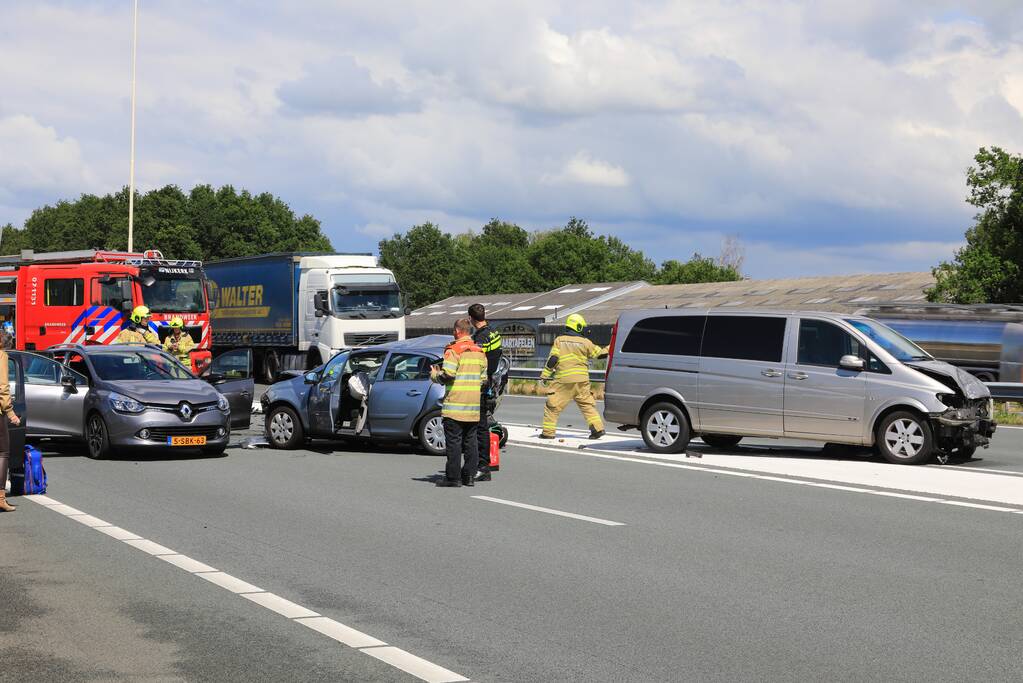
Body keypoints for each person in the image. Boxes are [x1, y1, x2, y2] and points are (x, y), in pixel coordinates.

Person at [430, 318, 487, 487]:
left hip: (455, 405)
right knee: (471, 443)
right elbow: (484, 380)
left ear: (457, 331)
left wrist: (434, 375)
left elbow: (448, 375)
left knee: (454, 443)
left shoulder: (453, 350)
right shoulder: (479, 351)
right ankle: (468, 477)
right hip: (473, 406)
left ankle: (453, 478)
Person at [540, 313, 608, 440]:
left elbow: (553, 359)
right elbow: (600, 354)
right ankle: (598, 429)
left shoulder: (559, 340)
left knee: (552, 406)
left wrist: (545, 375)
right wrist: (611, 347)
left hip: (563, 381)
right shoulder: (585, 342)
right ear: (578, 327)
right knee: (587, 405)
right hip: (582, 381)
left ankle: (548, 433)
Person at [468, 303, 502, 482]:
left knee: (480, 428)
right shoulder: (494, 333)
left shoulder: (481, 338)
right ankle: (481, 464)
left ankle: (482, 466)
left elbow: (475, 360)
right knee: (482, 426)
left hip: (481, 384)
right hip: (491, 381)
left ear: (471, 319)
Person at [0, 331, 21, 512]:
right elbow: (3, 387)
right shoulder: (1, 356)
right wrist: (10, 412)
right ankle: (0, 497)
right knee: (3, 453)